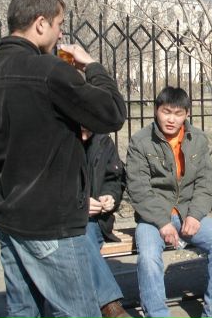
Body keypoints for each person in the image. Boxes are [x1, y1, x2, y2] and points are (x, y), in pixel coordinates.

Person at [0, 0, 127, 318]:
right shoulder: (50, 71)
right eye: (59, 24)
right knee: (77, 311)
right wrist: (92, 66)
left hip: (6, 216)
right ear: (40, 23)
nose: (61, 33)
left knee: (24, 311)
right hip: (53, 222)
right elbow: (112, 113)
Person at [125, 86, 212, 318]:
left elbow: (205, 183)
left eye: (178, 113)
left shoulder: (198, 140)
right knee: (148, 256)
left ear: (187, 114)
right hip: (153, 217)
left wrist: (195, 215)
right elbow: (139, 189)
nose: (171, 119)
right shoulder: (140, 141)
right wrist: (162, 222)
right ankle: (157, 314)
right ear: (156, 110)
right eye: (166, 112)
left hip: (189, 211)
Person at [81, 127, 129, 317]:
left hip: (98, 221)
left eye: (88, 127)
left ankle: (107, 306)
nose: (84, 134)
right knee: (80, 235)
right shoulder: (59, 141)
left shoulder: (103, 142)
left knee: (83, 236)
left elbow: (115, 179)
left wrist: (110, 196)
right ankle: (110, 305)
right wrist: (79, 204)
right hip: (68, 220)